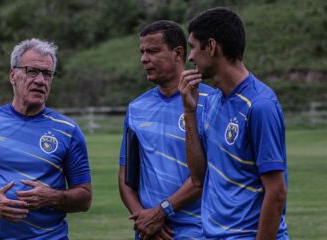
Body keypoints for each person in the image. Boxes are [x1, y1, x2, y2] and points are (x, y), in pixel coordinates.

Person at [0, 38, 92, 240]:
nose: (41, 80)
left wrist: (53, 197)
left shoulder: (68, 130)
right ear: (12, 75)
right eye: (32, 71)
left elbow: (85, 198)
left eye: (47, 74)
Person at [179, 7, 289, 239]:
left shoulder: (260, 105)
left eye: (192, 47)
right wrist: (189, 111)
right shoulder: (212, 102)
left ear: (211, 46)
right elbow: (199, 177)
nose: (189, 57)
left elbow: (276, 192)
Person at [118, 20, 213, 240]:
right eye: (142, 52)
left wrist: (162, 211)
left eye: (152, 51)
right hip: (149, 232)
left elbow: (206, 173)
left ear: (178, 53)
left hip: (198, 231)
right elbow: (126, 177)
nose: (144, 59)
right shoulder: (136, 108)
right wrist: (144, 218)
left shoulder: (211, 102)